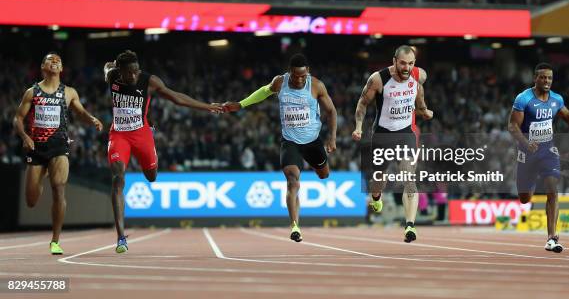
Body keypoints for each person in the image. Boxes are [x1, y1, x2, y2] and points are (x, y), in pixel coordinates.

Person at [104, 50, 223, 253]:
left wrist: (207, 107)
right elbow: (106, 69)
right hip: (119, 135)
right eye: (128, 73)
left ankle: (151, 149)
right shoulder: (112, 76)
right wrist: (110, 66)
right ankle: (121, 237)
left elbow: (176, 98)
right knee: (118, 177)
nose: (133, 76)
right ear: (120, 71)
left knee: (151, 176)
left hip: (141, 133)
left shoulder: (149, 81)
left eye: (135, 72)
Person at [223, 54, 337, 242]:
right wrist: (241, 104)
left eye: (302, 75)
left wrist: (332, 137)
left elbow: (331, 111)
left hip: (312, 141)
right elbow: (263, 92)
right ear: (289, 72)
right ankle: (295, 227)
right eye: (295, 75)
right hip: (290, 141)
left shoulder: (316, 85)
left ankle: (318, 170)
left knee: (324, 175)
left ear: (307, 71)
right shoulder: (280, 82)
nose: (299, 79)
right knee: (293, 181)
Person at [13, 52, 103, 255]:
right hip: (36, 149)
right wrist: (25, 137)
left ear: (62, 69)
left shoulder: (69, 92)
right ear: (42, 66)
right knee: (31, 200)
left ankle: (55, 240)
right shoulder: (32, 92)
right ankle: (42, 173)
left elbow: (80, 112)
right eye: (50, 60)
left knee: (59, 189)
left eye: (58, 61)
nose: (54, 62)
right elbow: (17, 118)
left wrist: (92, 119)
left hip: (59, 147)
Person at [508, 63, 569, 253]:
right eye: (543, 77)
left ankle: (551, 238)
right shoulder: (523, 99)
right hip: (527, 153)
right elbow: (512, 126)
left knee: (553, 190)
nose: (546, 81)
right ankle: (530, 183)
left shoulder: (556, 99)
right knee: (525, 198)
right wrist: (525, 143)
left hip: (548, 151)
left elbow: (566, 114)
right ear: (535, 78)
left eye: (549, 78)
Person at [352, 45, 432, 242]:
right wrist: (359, 126)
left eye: (411, 64)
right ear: (394, 61)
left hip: (406, 134)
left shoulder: (418, 75)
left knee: (409, 178)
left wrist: (424, 110)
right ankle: (376, 196)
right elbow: (363, 103)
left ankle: (410, 226)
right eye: (403, 63)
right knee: (379, 179)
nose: (406, 68)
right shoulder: (378, 79)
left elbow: (418, 95)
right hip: (383, 134)